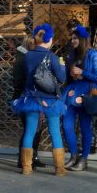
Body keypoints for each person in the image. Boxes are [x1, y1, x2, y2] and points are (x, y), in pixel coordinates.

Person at [13, 23, 69, 176]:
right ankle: (59, 169)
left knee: (29, 132)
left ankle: (26, 167)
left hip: (31, 98)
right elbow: (62, 78)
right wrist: (62, 66)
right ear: (49, 39)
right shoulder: (52, 57)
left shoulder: (27, 56)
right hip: (51, 100)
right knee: (55, 132)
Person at [61, 25, 97, 172]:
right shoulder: (71, 55)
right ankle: (73, 156)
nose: (72, 40)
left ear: (82, 39)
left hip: (87, 93)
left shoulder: (94, 55)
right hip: (72, 92)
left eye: (75, 38)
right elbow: (67, 77)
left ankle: (84, 158)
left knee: (85, 127)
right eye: (71, 38)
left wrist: (82, 72)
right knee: (66, 125)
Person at [11, 35, 43, 170]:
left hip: (22, 96)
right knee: (32, 129)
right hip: (27, 97)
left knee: (32, 128)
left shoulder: (21, 58)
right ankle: (26, 158)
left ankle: (30, 157)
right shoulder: (25, 60)